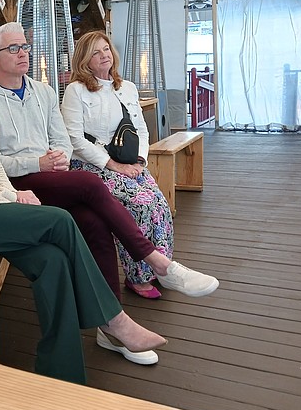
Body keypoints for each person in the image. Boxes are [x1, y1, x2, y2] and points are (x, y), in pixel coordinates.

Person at [0, 30, 167, 384]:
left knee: (52, 261)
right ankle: (114, 320)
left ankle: (61, 374)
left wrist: (11, 192)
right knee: (60, 221)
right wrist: (11, 197)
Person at [0, 23, 219, 310]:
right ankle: (157, 262)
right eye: (13, 48)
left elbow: (64, 140)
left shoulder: (43, 92)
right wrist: (39, 161)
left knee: (98, 222)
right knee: (92, 184)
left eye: (25, 46)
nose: (23, 53)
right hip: (17, 180)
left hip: (54, 175)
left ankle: (111, 317)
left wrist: (60, 158)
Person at [61, 30, 219, 299]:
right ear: (84, 60)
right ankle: (138, 276)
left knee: (159, 205)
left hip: (130, 163)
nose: (103, 56)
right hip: (93, 166)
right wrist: (113, 164)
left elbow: (141, 130)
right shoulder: (76, 91)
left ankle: (163, 271)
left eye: (106, 49)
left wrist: (140, 160)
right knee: (140, 205)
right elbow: (74, 139)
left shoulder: (127, 87)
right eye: (96, 52)